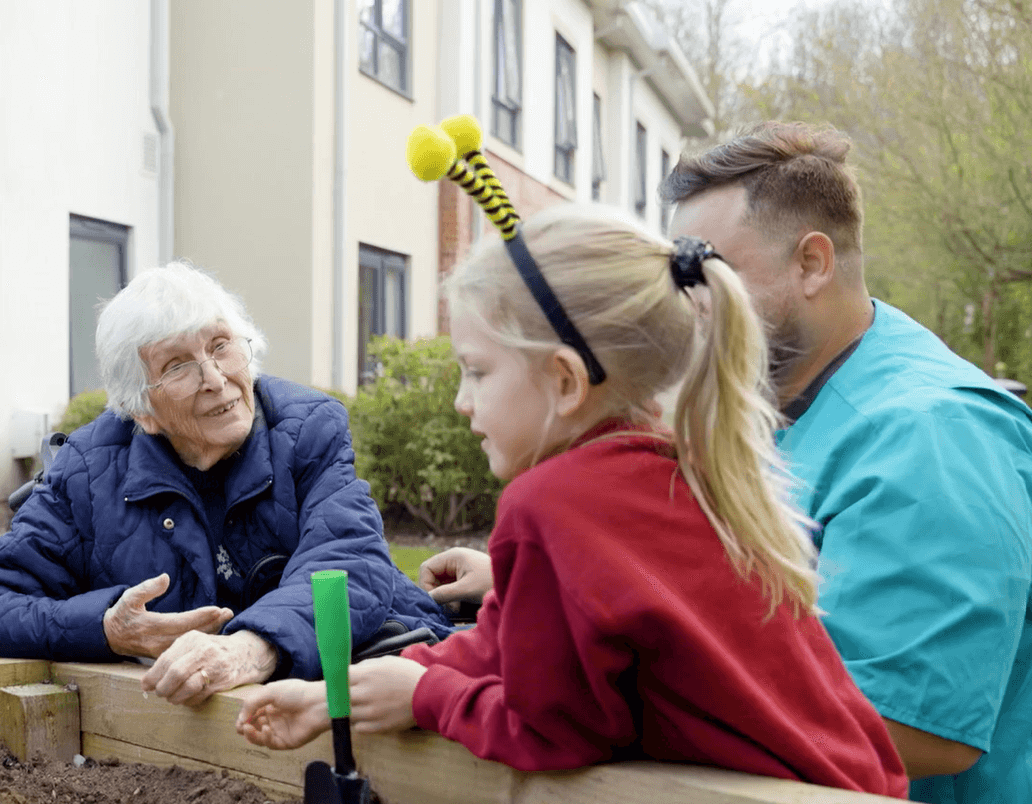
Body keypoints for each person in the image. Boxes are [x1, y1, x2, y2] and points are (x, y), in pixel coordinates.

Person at [236, 207, 908, 796]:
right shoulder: (666, 461)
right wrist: (342, 694)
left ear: (562, 379)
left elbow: (559, 733)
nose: (461, 401)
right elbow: (504, 644)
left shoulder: (552, 502)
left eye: (477, 370)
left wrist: (427, 696)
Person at [660, 122, 1032, 804]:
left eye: (709, 271)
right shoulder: (797, 398)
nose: (690, 305)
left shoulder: (934, 433)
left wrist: (624, 698)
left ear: (812, 263)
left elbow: (913, 726)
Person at [0, 262, 451, 707]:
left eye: (221, 345)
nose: (214, 377)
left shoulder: (307, 431)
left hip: (378, 678)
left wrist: (250, 646)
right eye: (178, 365)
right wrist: (107, 629)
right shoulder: (88, 473)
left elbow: (349, 562)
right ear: (142, 409)